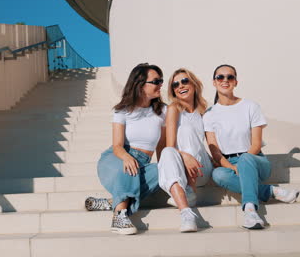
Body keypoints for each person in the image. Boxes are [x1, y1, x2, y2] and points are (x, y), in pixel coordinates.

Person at [204, 64, 300, 229]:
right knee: (218, 174)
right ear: (214, 82)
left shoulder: (250, 106)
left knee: (246, 158)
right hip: (229, 163)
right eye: (220, 77)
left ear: (236, 82)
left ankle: (250, 210)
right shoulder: (209, 114)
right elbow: (215, 151)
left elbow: (256, 144)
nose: (225, 80)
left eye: (230, 77)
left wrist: (241, 164)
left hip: (255, 160)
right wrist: (232, 167)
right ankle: (271, 191)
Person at [85, 63, 167, 235]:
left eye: (161, 80)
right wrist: (127, 157)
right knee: (130, 166)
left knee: (166, 169)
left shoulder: (163, 111)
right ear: (140, 84)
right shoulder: (122, 110)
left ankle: (114, 200)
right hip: (118, 157)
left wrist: (164, 165)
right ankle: (119, 216)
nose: (160, 84)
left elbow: (162, 146)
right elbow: (117, 146)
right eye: (155, 81)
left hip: (143, 164)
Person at [157, 68, 214, 232]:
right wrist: (185, 156)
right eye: (175, 84)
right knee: (168, 153)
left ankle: (190, 190)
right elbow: (170, 145)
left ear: (194, 84)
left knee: (188, 132)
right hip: (181, 167)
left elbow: (209, 144)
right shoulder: (174, 109)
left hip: (201, 169)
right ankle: (186, 212)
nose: (180, 86)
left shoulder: (203, 111)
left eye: (184, 81)